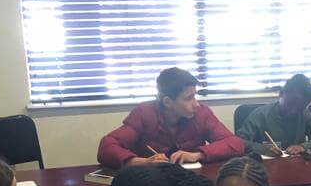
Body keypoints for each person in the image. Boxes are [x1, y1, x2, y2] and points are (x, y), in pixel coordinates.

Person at [97, 67, 244, 168]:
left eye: (195, 96)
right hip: (151, 184)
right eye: (189, 98)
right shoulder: (144, 113)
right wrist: (142, 162)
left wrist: (197, 155)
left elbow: (235, 144)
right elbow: (107, 147)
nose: (196, 104)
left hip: (191, 181)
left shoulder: (201, 113)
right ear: (168, 102)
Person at [236, 74, 311, 156]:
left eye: (300, 108)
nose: (293, 111)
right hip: (266, 167)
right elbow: (238, 142)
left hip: (296, 166)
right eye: (290, 104)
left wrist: (304, 146)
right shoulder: (260, 115)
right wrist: (262, 148)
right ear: (281, 94)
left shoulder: (305, 114)